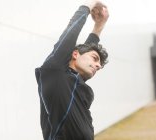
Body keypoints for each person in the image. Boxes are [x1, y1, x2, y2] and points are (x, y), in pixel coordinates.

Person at [35, 0, 109, 139]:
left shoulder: (74, 83)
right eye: (95, 58)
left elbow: (85, 51)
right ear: (74, 54)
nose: (98, 66)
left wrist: (99, 26)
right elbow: (71, 33)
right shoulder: (55, 72)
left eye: (99, 64)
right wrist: (89, 4)